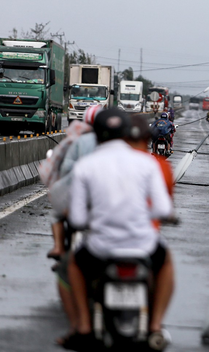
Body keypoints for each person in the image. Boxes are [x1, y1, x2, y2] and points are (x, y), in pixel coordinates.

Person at [64, 108, 175, 351]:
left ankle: (83, 327)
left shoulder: (86, 165)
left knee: (73, 264)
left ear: (97, 135)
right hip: (143, 245)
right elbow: (163, 209)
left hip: (100, 247)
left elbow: (78, 218)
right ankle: (155, 326)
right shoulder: (147, 162)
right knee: (165, 263)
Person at [38, 105, 102, 347]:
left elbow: (62, 166)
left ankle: (59, 248)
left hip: (78, 196)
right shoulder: (124, 147)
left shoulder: (78, 138)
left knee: (58, 214)